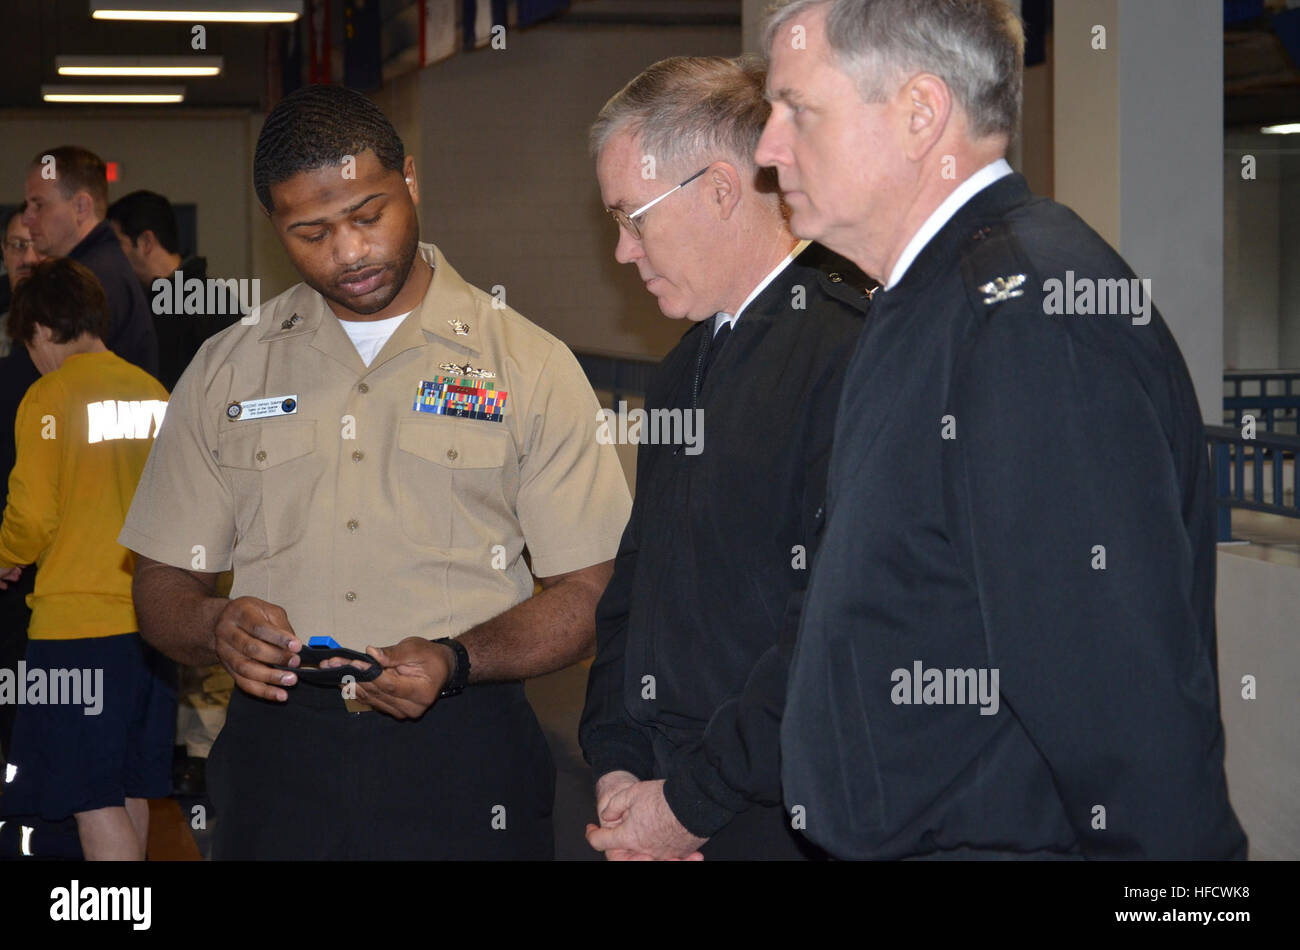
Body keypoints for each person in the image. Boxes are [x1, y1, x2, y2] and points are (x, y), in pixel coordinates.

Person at [757, 0, 1246, 860]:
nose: (767, 147)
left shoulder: (1025, 323)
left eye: (797, 109)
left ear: (919, 114)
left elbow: (1130, 724)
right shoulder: (927, 303)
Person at [118, 84, 631, 860]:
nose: (348, 252)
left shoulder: (526, 364)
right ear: (275, 228)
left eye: (368, 215)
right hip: (277, 758)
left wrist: (459, 659)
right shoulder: (229, 369)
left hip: (464, 753)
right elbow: (160, 583)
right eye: (311, 232)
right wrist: (212, 628)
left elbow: (592, 594)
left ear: (411, 180)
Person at [579, 56, 872, 861]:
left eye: (633, 218)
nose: (622, 252)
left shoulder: (848, 356)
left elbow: (831, 633)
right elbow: (635, 586)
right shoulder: (685, 366)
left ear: (717, 189)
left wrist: (692, 803)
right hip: (662, 796)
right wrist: (617, 764)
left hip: (775, 813)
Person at [0, 257, 174, 860]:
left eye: (29, 342)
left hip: (77, 630)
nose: (32, 356)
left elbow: (32, 516)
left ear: (42, 329)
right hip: (153, 628)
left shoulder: (48, 396)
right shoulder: (154, 393)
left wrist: (6, 556)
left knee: (86, 794)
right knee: (131, 786)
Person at [22, 146, 159, 377]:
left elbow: (40, 375)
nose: (27, 218)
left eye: (39, 205)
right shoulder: (104, 267)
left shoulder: (88, 281)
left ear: (81, 207)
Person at [107, 189, 241, 392]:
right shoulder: (137, 302)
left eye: (117, 244)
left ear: (146, 243)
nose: (112, 257)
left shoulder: (211, 301)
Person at [0, 204, 43, 764]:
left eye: (35, 244)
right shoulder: (11, 363)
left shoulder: (75, 363)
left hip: (58, 571)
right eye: (14, 246)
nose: (26, 257)